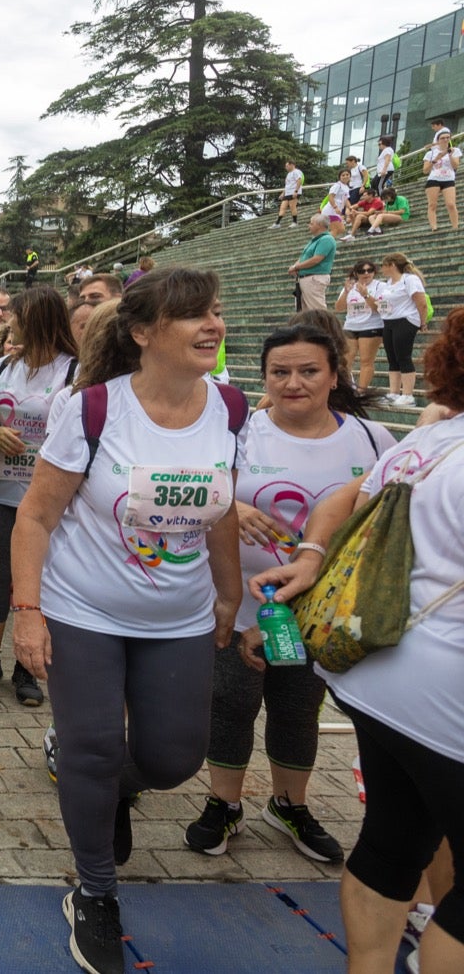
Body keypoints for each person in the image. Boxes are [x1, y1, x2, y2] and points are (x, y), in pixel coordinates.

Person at [11, 268, 244, 974]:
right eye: (192, 315)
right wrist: (29, 612)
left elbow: (223, 507)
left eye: (214, 311)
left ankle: (113, 786)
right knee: (88, 747)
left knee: (174, 757)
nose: (212, 324)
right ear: (143, 333)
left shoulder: (231, 409)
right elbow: (37, 515)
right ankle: (97, 891)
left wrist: (231, 595)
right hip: (85, 610)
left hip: (179, 616)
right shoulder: (94, 410)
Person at [250, 307, 464, 974]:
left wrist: (313, 555)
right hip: (449, 691)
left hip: (383, 681)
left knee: (394, 844)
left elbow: (345, 497)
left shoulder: (427, 442)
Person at [185, 325, 393, 866]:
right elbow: (193, 497)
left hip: (315, 614)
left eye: (308, 371)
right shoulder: (237, 432)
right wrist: (230, 506)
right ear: (264, 377)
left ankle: (290, 805)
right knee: (230, 703)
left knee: (297, 708)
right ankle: (223, 804)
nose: (293, 383)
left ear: (334, 375)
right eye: (280, 372)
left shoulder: (372, 441)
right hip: (235, 599)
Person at [0, 286, 77, 708]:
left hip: (47, 498)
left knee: (38, 579)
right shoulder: (4, 366)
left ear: (39, 320)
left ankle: (27, 666)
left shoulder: (73, 370)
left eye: (18, 316)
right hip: (0, 488)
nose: (10, 323)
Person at [374, 252, 428, 407]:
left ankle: (408, 395)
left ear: (391, 265)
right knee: (392, 357)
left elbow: (421, 302)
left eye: (383, 266)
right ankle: (394, 392)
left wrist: (422, 322)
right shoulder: (389, 282)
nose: (382, 270)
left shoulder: (410, 280)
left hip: (406, 320)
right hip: (389, 320)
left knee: (403, 356)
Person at [336, 261, 384, 394]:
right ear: (356, 274)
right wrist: (346, 292)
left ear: (374, 272)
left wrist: (366, 295)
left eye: (370, 270)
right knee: (344, 360)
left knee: (366, 360)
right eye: (362, 271)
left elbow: (380, 307)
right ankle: (346, 388)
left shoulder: (380, 286)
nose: (366, 273)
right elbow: (339, 307)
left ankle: (361, 391)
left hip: (371, 325)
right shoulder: (351, 286)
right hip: (351, 325)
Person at [288, 215, 337, 312]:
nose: (308, 225)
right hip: (305, 278)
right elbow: (303, 257)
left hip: (314, 278)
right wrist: (294, 267)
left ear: (319, 225)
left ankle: (323, 327)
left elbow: (316, 259)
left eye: (311, 223)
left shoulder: (326, 239)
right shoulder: (315, 240)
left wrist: (297, 266)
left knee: (317, 310)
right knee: (304, 311)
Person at [423, 130, 461, 232]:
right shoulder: (430, 153)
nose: (445, 140)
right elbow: (425, 170)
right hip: (434, 178)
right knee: (432, 204)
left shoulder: (455, 150)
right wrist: (436, 158)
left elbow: (455, 166)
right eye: (442, 138)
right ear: (438, 140)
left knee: (451, 204)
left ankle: (455, 226)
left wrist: (449, 155)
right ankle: (434, 227)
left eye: (447, 137)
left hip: (448, 178)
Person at [271, 160, 305, 228]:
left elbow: (299, 181)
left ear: (292, 165)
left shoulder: (296, 172)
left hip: (293, 192)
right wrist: (283, 193)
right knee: (282, 207)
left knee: (292, 206)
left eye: (287, 166)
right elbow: (287, 185)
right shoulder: (289, 174)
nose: (286, 167)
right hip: (287, 193)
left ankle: (295, 222)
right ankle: (277, 223)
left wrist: (296, 191)